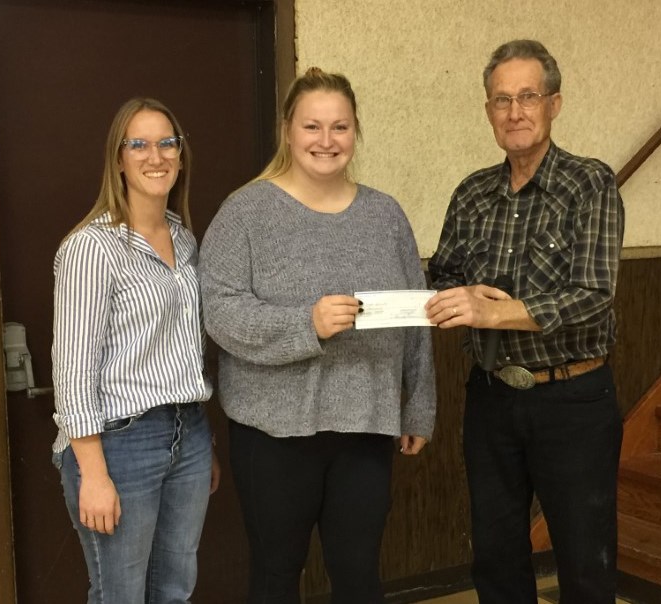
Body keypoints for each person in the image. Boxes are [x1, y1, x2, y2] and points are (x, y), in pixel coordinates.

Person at [198, 67, 436, 603]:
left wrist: (418, 406)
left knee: (358, 575)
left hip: (366, 426)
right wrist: (305, 325)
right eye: (312, 127)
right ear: (288, 130)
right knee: (277, 575)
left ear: (355, 132)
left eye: (340, 127)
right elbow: (220, 312)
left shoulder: (385, 214)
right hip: (274, 435)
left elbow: (414, 318)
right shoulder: (246, 212)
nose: (326, 142)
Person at [427, 40, 624, 604]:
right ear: (488, 110)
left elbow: (593, 294)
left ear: (554, 104)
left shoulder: (589, 184)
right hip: (489, 398)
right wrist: (454, 295)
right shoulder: (471, 193)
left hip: (572, 399)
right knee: (495, 555)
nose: (514, 111)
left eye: (528, 97)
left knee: (585, 561)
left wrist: (494, 311)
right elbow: (440, 276)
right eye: (501, 99)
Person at [51, 97, 220, 603]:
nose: (156, 156)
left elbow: (185, 347)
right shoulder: (92, 248)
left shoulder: (186, 241)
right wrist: (94, 474)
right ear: (118, 159)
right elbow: (73, 370)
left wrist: (201, 441)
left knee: (174, 591)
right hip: (118, 446)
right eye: (139, 144)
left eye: (167, 143)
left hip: (187, 434)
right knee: (119, 595)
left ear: (181, 155)